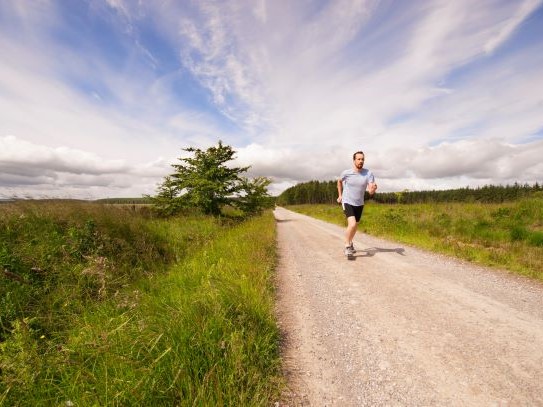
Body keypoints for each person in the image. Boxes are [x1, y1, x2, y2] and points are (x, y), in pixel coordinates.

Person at [337, 151, 377, 257]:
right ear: (354, 160)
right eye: (359, 159)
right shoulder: (347, 173)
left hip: (359, 203)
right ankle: (347, 246)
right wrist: (340, 195)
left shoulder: (368, 173)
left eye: (362, 159)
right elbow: (339, 182)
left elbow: (370, 191)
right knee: (352, 224)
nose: (361, 161)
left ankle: (350, 242)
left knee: (355, 227)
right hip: (347, 201)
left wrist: (373, 189)